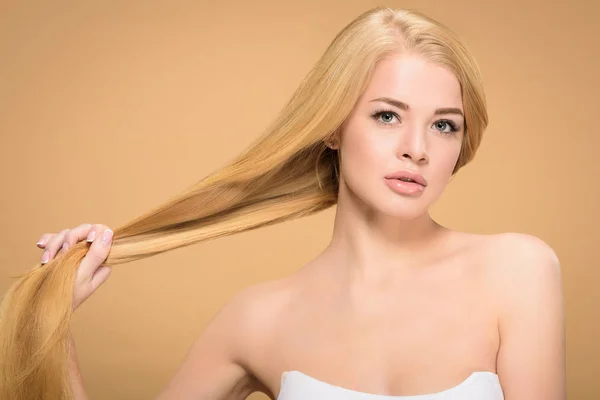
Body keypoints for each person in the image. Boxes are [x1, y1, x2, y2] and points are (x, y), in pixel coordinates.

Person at [0, 6, 565, 400]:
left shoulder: (517, 271)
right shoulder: (258, 320)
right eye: (387, 115)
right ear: (333, 127)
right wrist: (58, 324)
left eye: (444, 125)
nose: (416, 149)